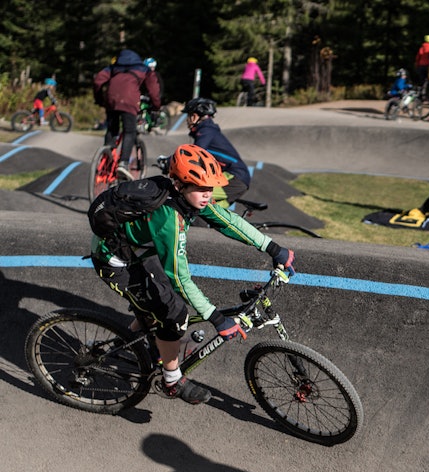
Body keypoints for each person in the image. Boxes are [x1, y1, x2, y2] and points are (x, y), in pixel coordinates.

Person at [90, 144, 296, 404]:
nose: (207, 194)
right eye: (200, 188)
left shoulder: (189, 197)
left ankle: (136, 341)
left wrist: (273, 248)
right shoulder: (168, 219)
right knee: (175, 315)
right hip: (115, 260)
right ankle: (172, 380)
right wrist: (217, 318)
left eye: (210, 188)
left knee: (156, 311)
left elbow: (227, 221)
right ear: (178, 185)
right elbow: (179, 278)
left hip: (139, 250)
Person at [93, 49, 161, 181]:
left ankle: (106, 159)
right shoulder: (143, 69)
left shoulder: (113, 68)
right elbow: (154, 90)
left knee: (112, 129)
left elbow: (97, 81)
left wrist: (99, 99)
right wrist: (156, 106)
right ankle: (123, 163)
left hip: (111, 100)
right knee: (130, 131)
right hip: (129, 101)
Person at [182, 97, 252, 205]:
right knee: (212, 215)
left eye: (188, 116)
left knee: (192, 194)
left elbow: (195, 153)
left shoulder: (206, 131)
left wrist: (170, 161)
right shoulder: (207, 131)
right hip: (238, 179)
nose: (187, 120)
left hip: (234, 177)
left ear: (195, 116)